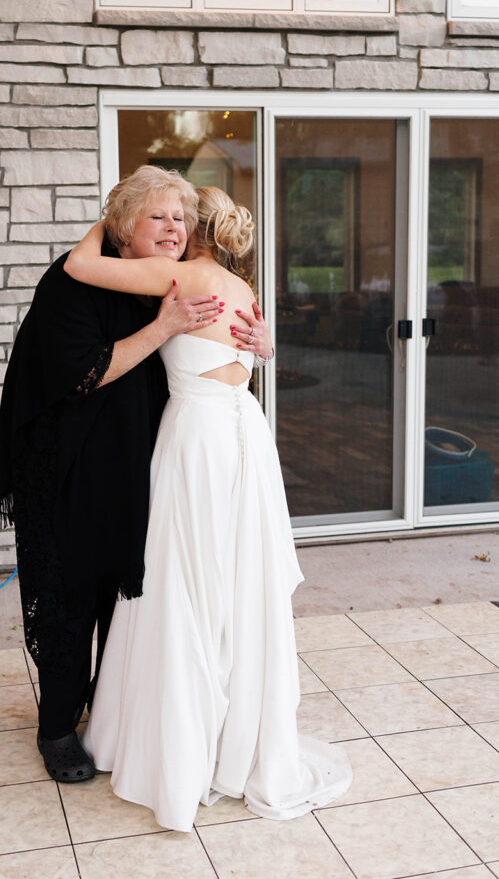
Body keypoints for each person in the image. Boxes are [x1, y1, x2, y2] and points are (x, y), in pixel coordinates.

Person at [64, 185, 352, 830]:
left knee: (182, 577)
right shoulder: (240, 287)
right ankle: (233, 735)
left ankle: (179, 739)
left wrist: (108, 219)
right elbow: (256, 351)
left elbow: (80, 268)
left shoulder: (177, 274)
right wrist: (267, 345)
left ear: (196, 226)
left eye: (179, 216)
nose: (169, 224)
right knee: (236, 578)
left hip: (196, 436)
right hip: (245, 434)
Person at [0, 167, 222, 783]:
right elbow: (87, 372)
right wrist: (165, 327)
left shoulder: (160, 282)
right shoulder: (71, 285)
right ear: (122, 227)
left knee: (126, 594)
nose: (175, 229)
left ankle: (108, 705)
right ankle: (58, 729)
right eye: (158, 217)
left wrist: (257, 339)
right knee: (71, 599)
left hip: (134, 462)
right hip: (67, 465)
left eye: (182, 217)